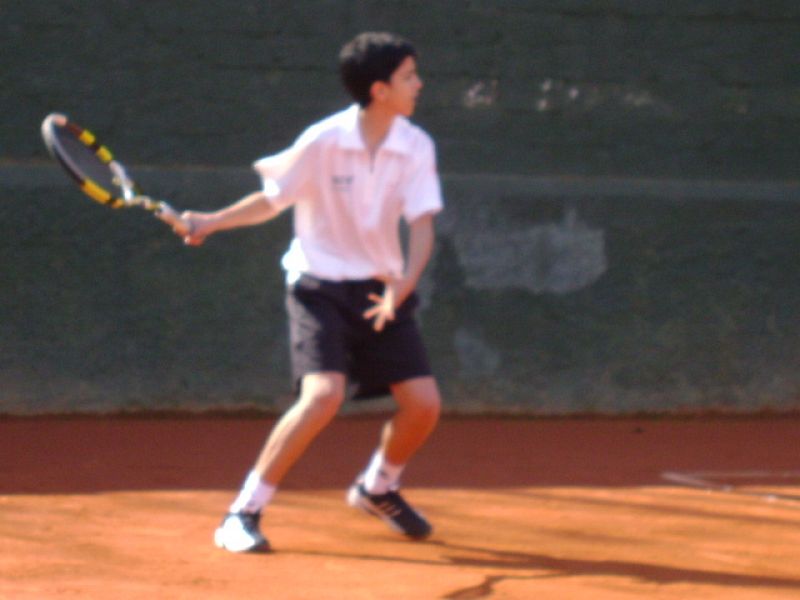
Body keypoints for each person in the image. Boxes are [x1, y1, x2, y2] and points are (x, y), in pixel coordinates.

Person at [175, 31, 444, 553]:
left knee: (424, 405)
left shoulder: (415, 146)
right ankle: (243, 512)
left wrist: (401, 290)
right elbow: (272, 200)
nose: (419, 83)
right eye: (409, 75)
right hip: (318, 284)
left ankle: (377, 487)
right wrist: (209, 221)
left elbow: (424, 227)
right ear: (379, 89)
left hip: (381, 287)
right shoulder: (323, 140)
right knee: (322, 396)